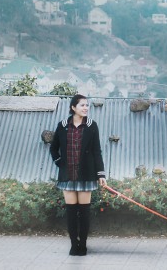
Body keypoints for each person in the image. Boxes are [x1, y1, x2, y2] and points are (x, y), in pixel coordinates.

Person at [50, 94, 106, 256]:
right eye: (82, 105)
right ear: (73, 107)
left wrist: (100, 174)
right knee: (71, 212)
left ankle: (83, 244)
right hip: (67, 176)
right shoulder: (62, 125)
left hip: (86, 175)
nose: (86, 108)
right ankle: (74, 245)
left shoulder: (91, 125)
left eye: (87, 105)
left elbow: (97, 151)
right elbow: (54, 148)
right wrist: (60, 163)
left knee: (84, 212)